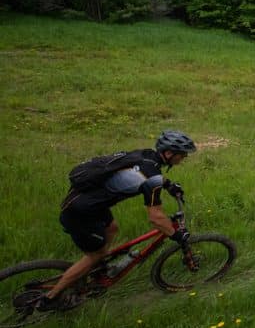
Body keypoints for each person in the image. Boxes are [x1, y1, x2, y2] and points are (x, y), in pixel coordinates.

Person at [36, 130, 197, 311]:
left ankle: (101, 267)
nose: (183, 158)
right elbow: (156, 217)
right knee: (94, 254)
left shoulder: (144, 154)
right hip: (80, 212)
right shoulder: (152, 178)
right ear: (168, 153)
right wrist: (176, 235)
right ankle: (51, 299)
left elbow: (145, 172)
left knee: (112, 228)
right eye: (182, 155)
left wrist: (167, 184)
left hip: (88, 201)